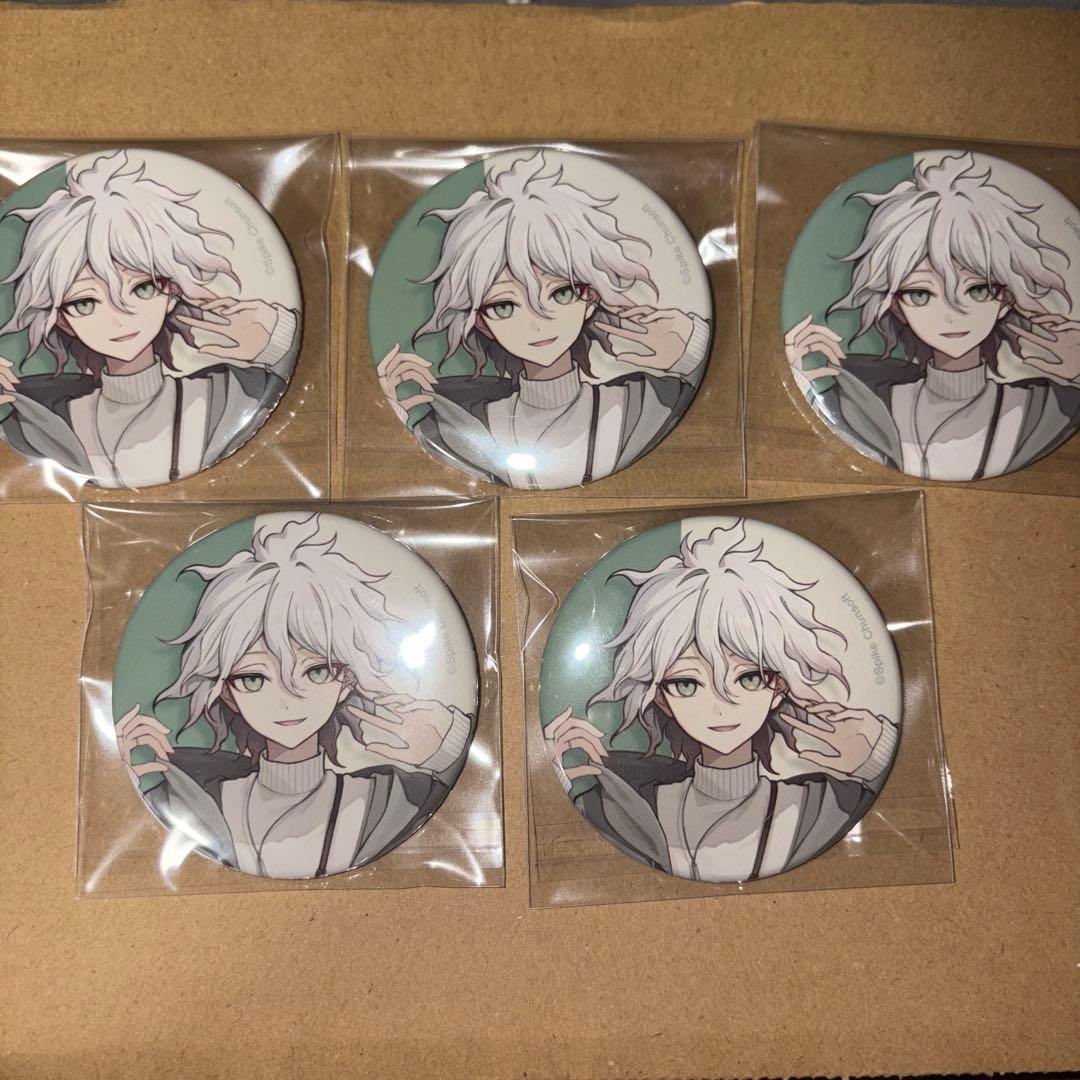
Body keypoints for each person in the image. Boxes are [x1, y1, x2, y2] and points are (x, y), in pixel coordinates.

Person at [116, 513, 473, 880]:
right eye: (253, 678)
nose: (286, 699)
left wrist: (447, 743)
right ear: (227, 693)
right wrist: (130, 776)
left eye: (316, 671)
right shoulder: (192, 798)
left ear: (347, 680)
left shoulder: (385, 799)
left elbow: (458, 789)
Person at [545, 520, 898, 883]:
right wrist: (550, 773)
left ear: (778, 687)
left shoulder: (820, 808)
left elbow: (900, 811)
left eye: (749, 678)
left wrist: (877, 752)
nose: (720, 705)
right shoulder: (624, 809)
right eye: (687, 684)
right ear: (660, 697)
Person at [377, 150, 711, 488]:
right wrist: (391, 413)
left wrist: (691, 349)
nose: (537, 321)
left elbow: (720, 404)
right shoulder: (455, 429)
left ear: (591, 298)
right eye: (504, 306)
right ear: (481, 322)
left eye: (561, 293)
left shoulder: (641, 406)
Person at [0, 149, 300, 488]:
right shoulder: (37, 423)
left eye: (143, 288)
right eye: (84, 303)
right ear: (62, 320)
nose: (120, 317)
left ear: (172, 292)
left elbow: (282, 379)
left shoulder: (226, 396)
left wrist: (277, 338)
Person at [784, 151, 1079, 480]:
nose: (953, 313)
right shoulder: (861, 403)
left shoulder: (1044, 410)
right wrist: (802, 373)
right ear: (896, 306)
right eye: (920, 294)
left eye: (978, 290)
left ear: (1007, 299)